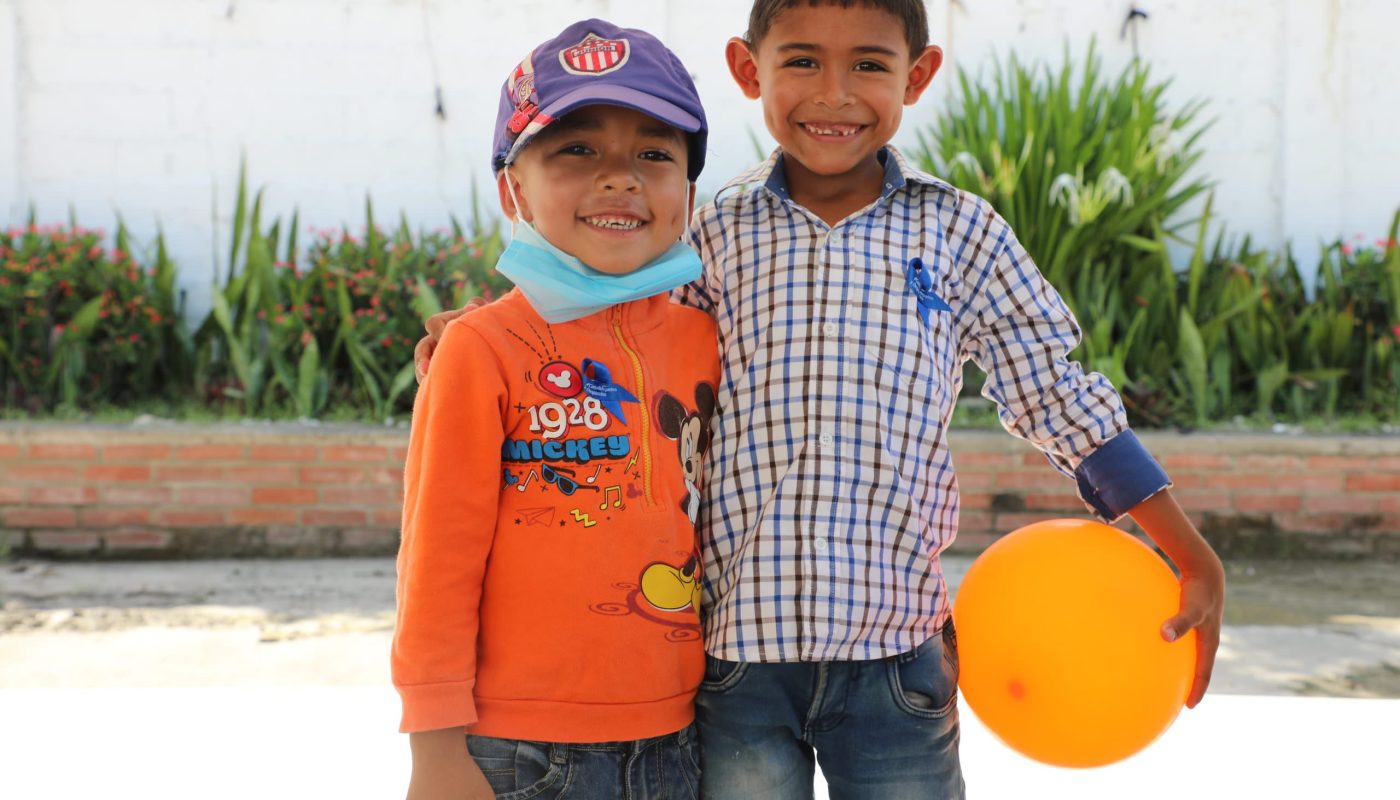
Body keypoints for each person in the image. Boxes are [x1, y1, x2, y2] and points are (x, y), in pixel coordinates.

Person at [416, 2, 1225, 798]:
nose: (833, 93)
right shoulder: (714, 235)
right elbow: (618, 313)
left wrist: (1184, 547)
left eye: (868, 64)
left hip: (895, 660)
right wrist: (488, 328)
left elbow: (1054, 390)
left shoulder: (959, 232)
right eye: (801, 60)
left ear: (917, 75)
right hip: (736, 664)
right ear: (748, 69)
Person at [393, 19, 720, 800]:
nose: (620, 177)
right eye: (576, 149)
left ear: (688, 193)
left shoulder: (709, 336)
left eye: (654, 153)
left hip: (680, 733)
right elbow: (437, 560)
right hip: (517, 747)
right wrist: (434, 749)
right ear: (513, 189)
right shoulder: (483, 349)